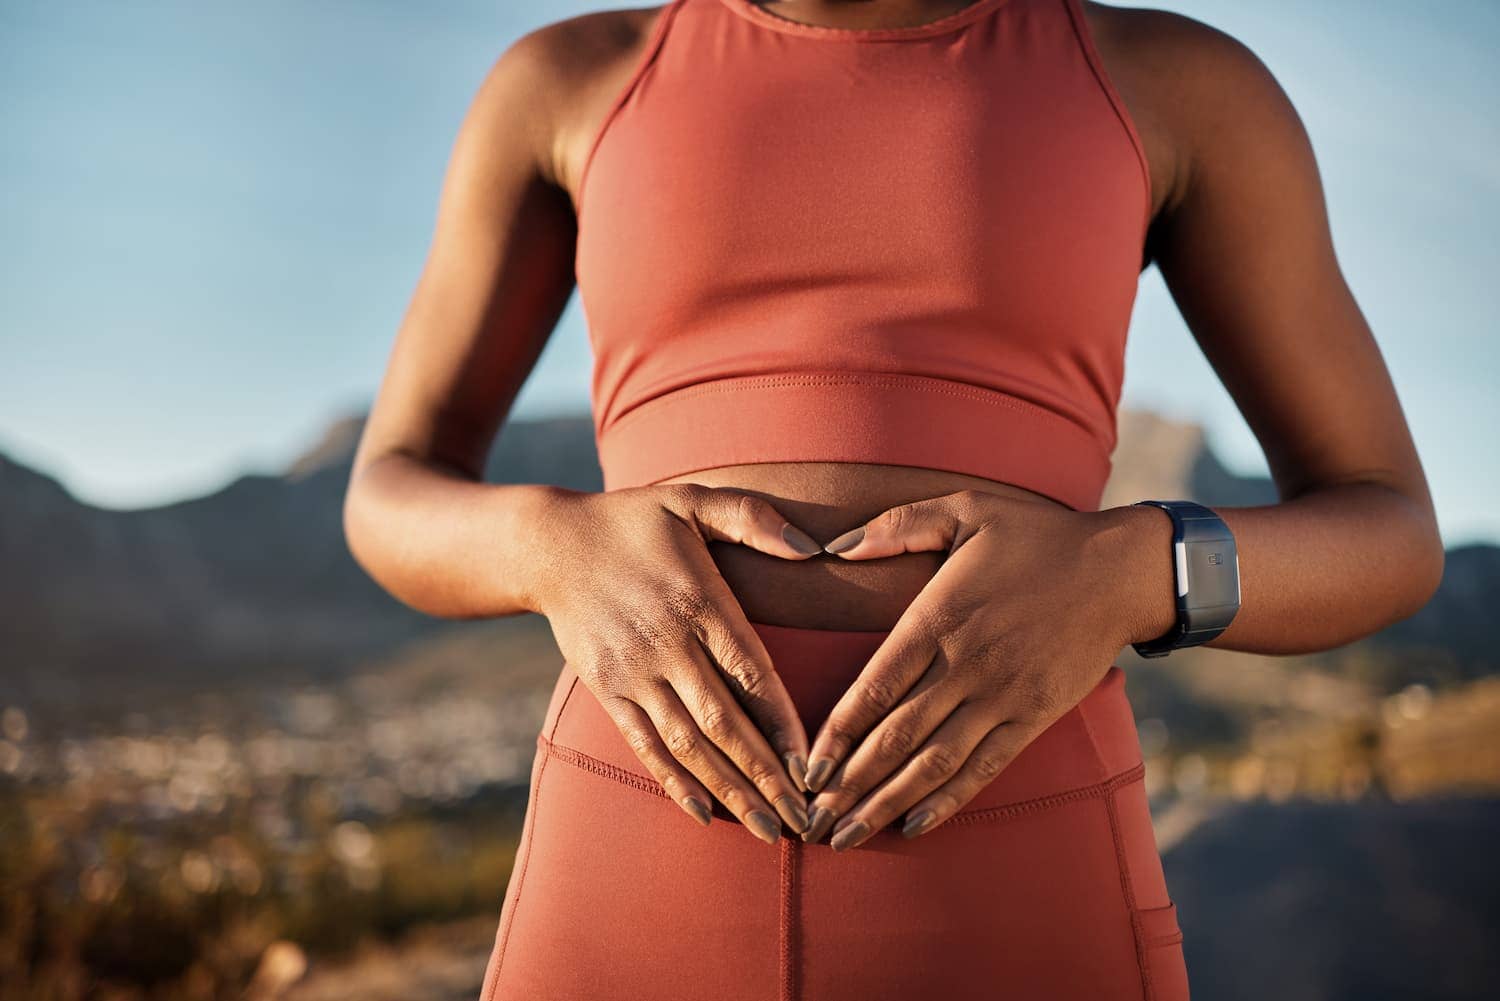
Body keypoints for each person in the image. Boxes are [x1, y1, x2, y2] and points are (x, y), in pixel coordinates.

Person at [341, 1, 1443, 998]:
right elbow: (389, 491)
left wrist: (1130, 571)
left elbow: (1389, 529)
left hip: (1022, 871)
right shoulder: (569, 79)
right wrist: (551, 547)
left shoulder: (1175, 84)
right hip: (628, 865)